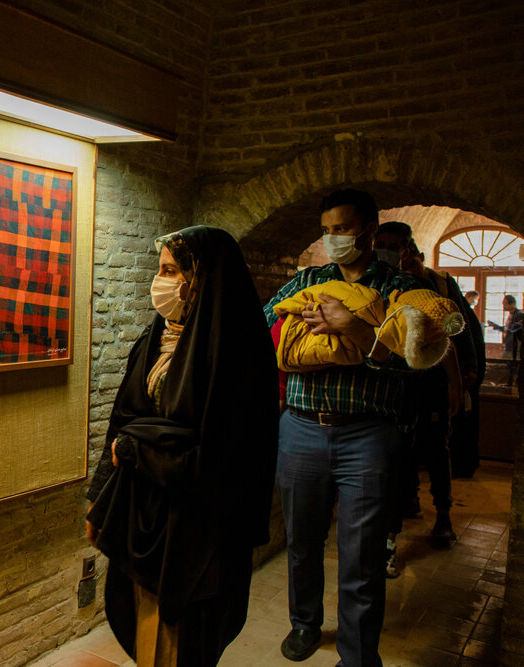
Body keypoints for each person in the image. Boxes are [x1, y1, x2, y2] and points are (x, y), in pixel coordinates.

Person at [86, 226, 279, 667]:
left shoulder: (236, 355)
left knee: (184, 639)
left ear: (202, 276)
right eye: (161, 270)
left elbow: (222, 459)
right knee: (146, 630)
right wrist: (100, 500)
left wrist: (137, 451)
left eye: (172, 271)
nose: (162, 283)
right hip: (144, 510)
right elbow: (124, 421)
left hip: (199, 523)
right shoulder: (156, 339)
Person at [263, 189, 419, 666]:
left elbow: (413, 365)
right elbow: (267, 325)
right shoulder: (307, 280)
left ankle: (356, 652)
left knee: (362, 553)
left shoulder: (397, 289)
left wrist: (358, 329)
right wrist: (299, 329)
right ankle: (305, 624)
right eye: (326, 230)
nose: (333, 239)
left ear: (369, 231)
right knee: (302, 541)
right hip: (302, 428)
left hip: (367, 433)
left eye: (342, 229)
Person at [374, 225, 479, 549]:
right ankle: (395, 526)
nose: (388, 251)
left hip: (428, 380)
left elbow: (445, 338)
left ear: (408, 249)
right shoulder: (373, 283)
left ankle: (443, 514)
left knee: (435, 448)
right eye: (382, 245)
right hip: (393, 383)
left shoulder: (422, 286)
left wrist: (455, 383)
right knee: (395, 454)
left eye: (394, 246)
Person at [488, 295, 524, 385]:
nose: (503, 306)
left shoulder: (519, 315)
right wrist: (496, 326)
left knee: (512, 367)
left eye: (505, 304)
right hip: (509, 346)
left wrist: (498, 327)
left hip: (514, 347)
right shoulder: (511, 315)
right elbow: (508, 329)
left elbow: (513, 331)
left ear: (512, 304)